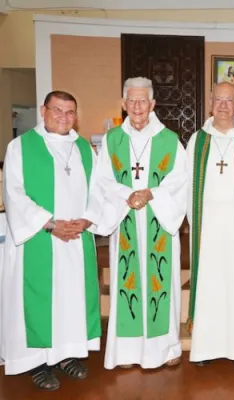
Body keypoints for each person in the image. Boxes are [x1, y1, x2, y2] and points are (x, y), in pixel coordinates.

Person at [1, 91, 102, 390]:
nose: (63, 116)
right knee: (40, 300)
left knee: (71, 299)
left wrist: (86, 219)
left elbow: (98, 190)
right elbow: (14, 193)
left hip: (75, 240)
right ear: (44, 111)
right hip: (39, 238)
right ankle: (38, 362)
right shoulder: (21, 147)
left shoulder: (84, 148)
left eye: (70, 112)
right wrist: (49, 223)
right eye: (57, 110)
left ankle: (67, 354)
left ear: (76, 116)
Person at [90, 77, 188, 370]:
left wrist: (151, 194)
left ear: (152, 104)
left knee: (161, 283)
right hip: (126, 220)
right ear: (123, 104)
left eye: (142, 101)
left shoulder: (170, 140)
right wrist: (127, 195)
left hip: (158, 219)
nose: (137, 107)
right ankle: (127, 352)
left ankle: (166, 348)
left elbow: (180, 181)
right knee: (128, 282)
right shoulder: (111, 140)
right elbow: (102, 180)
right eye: (131, 101)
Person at [186, 82, 234, 368]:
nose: (222, 105)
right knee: (208, 284)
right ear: (209, 102)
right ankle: (205, 347)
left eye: (229, 100)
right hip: (206, 229)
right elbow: (186, 186)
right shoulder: (198, 141)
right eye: (218, 99)